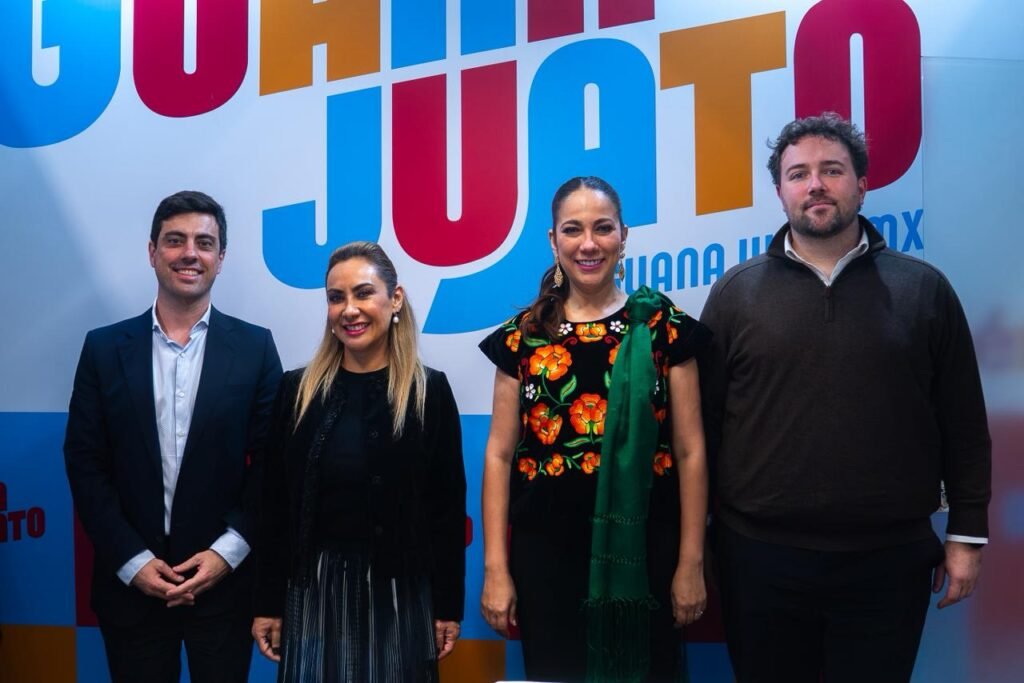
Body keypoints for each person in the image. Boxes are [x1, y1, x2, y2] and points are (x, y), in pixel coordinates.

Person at [699, 113, 992, 682]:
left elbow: (963, 423)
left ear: (862, 183)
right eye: (798, 174)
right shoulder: (736, 293)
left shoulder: (924, 290)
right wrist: (698, 544)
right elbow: (702, 431)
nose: (815, 185)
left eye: (832, 170)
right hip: (758, 559)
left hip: (889, 561)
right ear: (780, 191)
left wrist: (965, 535)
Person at [479, 176, 711, 682]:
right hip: (546, 560)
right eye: (573, 229)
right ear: (553, 240)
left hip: (645, 554)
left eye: (603, 228)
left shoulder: (663, 327)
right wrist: (495, 568)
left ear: (623, 236)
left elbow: (691, 452)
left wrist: (691, 562)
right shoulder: (523, 338)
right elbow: (498, 455)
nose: (588, 244)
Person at [64, 190, 283, 682]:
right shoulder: (103, 349)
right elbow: (84, 463)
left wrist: (225, 556)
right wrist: (133, 561)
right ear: (152, 251)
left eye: (204, 243)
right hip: (131, 592)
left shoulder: (255, 348)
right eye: (175, 240)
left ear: (221, 258)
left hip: (224, 590)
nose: (190, 253)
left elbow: (272, 468)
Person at [251, 241, 466, 682]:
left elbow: (446, 511)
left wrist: (447, 606)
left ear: (395, 299)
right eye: (336, 298)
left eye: (363, 293)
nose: (349, 309)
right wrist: (267, 603)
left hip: (401, 595)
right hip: (314, 594)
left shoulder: (429, 392)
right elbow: (274, 508)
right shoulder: (297, 392)